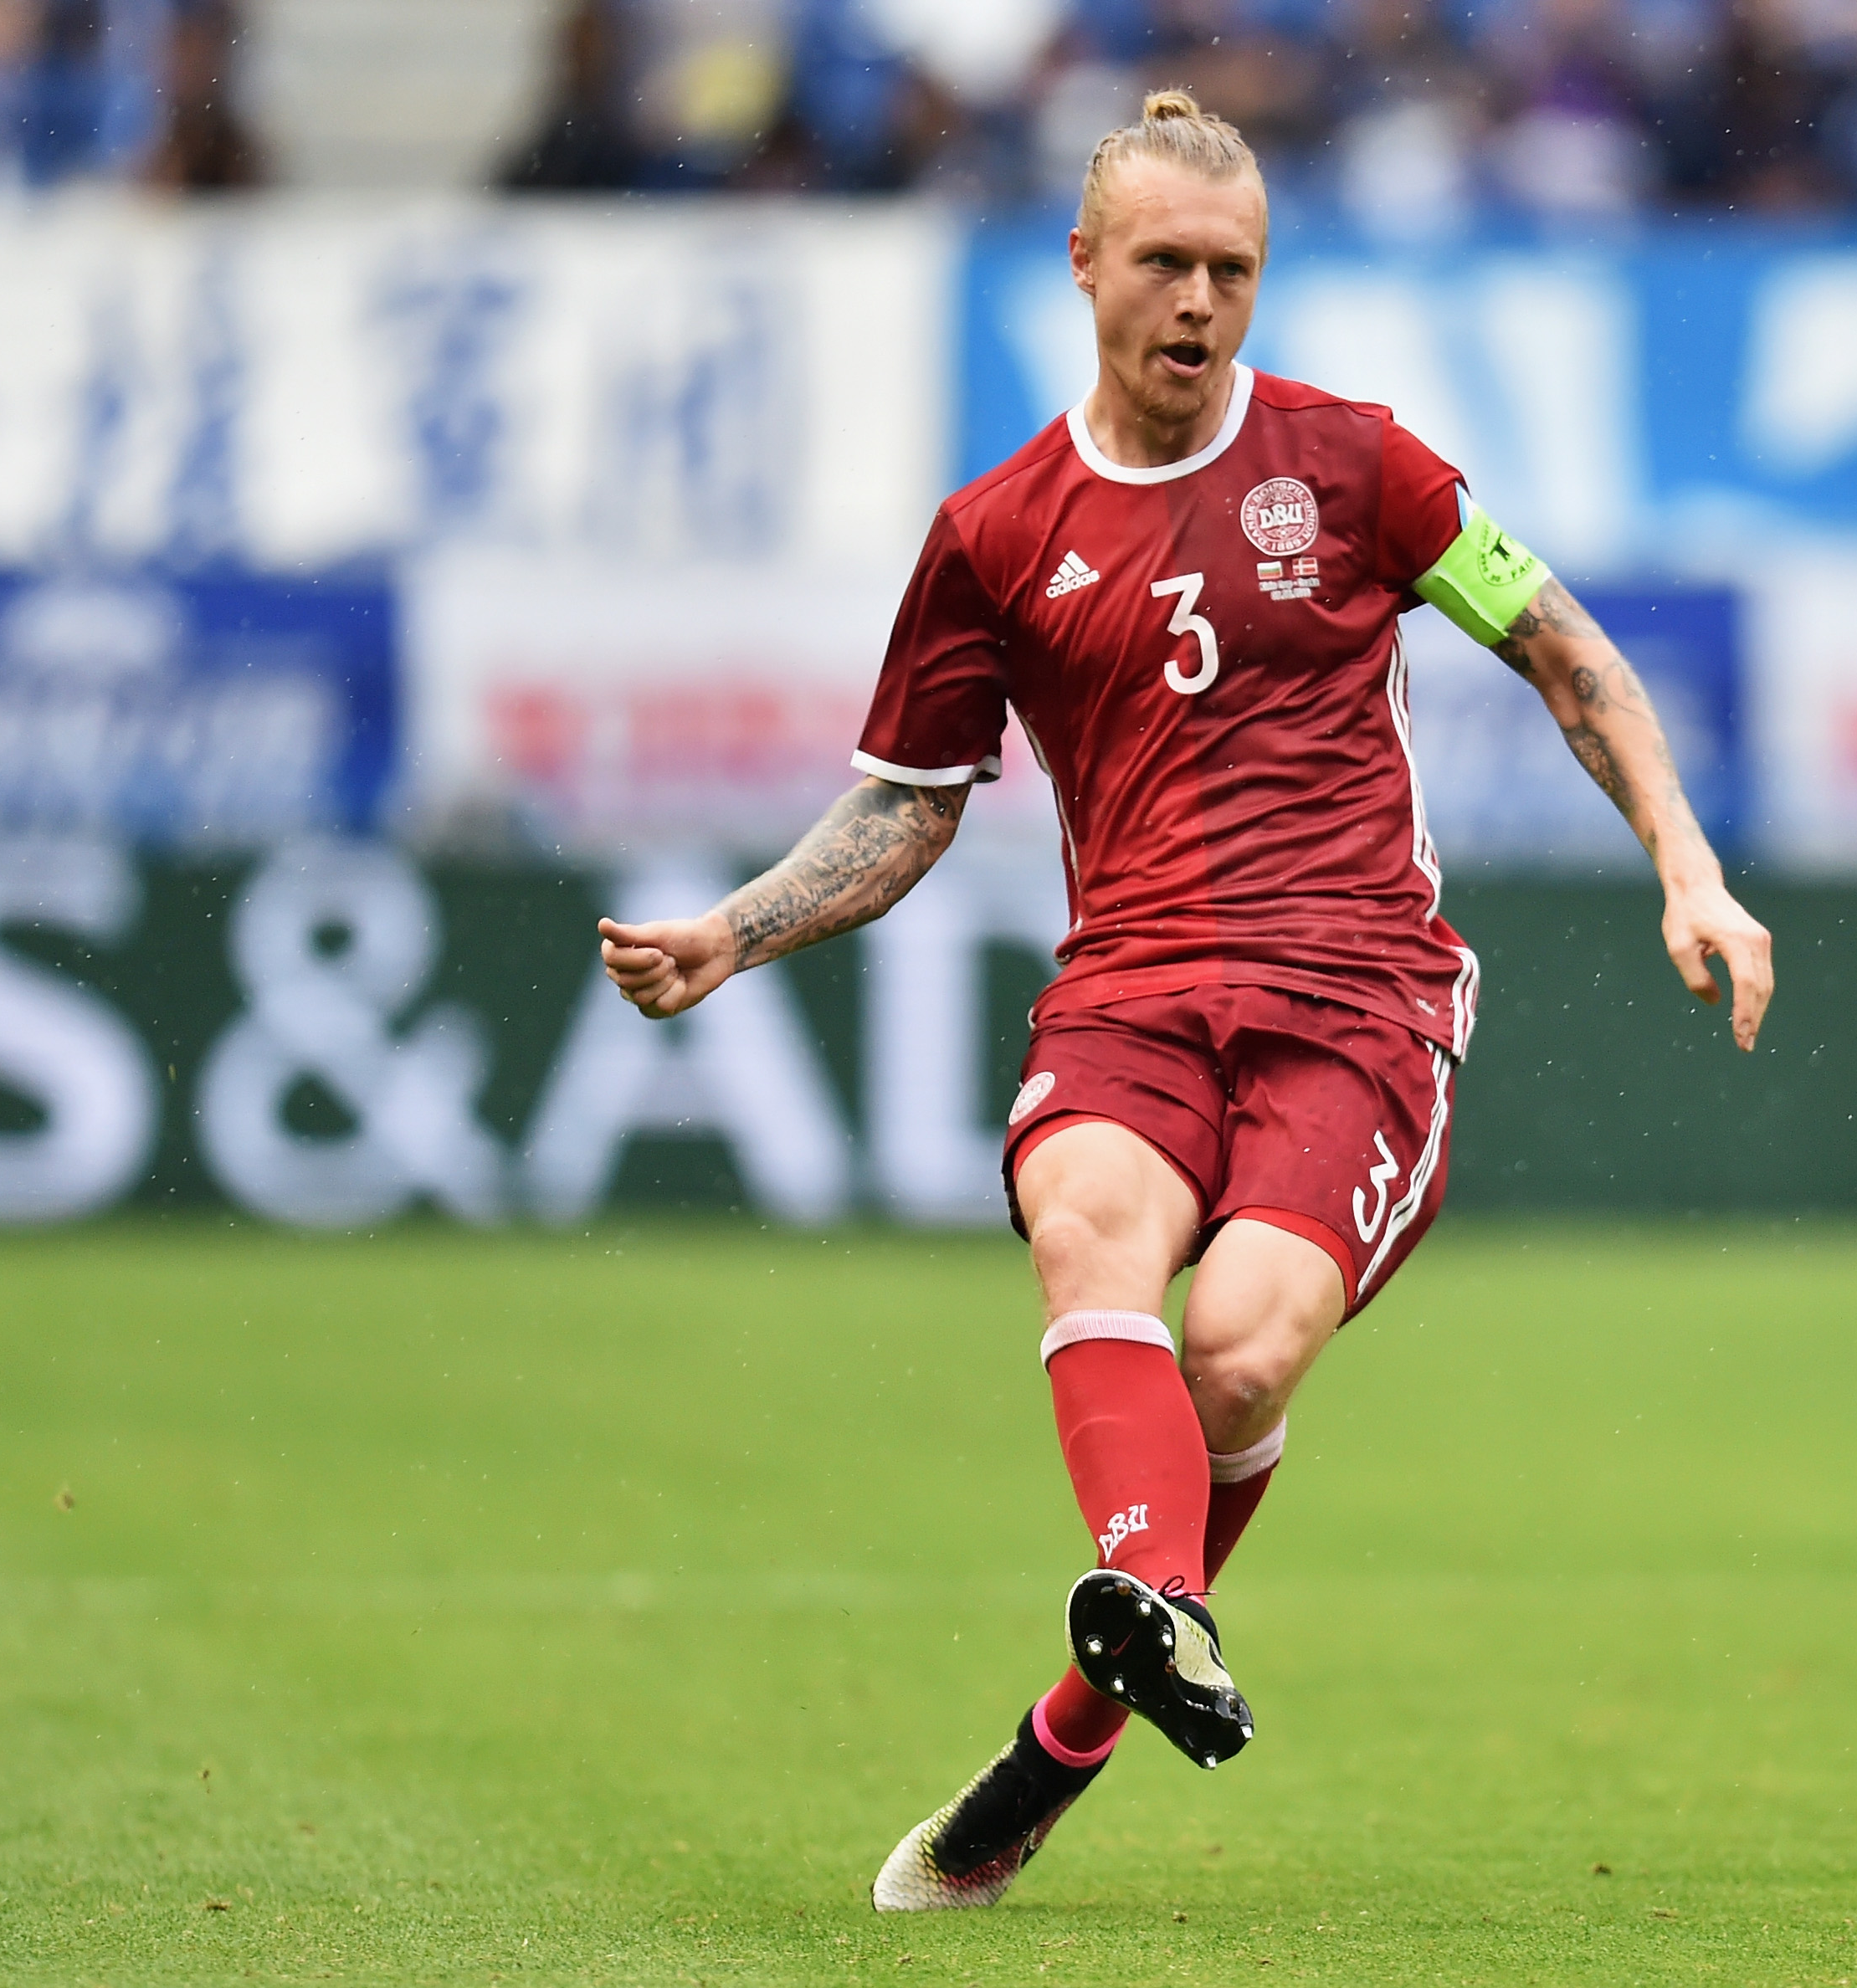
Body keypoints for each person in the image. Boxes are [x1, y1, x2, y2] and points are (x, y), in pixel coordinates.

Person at [594, 89, 1772, 1914]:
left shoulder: (1366, 469)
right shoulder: (995, 534)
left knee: (1234, 1349)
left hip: (1359, 994)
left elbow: (1564, 650)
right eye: (1165, 265)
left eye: (1233, 269)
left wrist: (1687, 864)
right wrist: (740, 930)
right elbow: (914, 798)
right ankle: (1166, 1609)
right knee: (1089, 1228)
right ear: (1085, 266)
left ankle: (1073, 1723)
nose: (1200, 302)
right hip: (1132, 988)